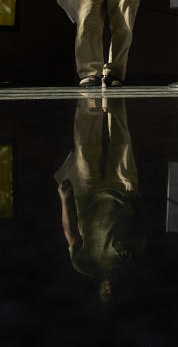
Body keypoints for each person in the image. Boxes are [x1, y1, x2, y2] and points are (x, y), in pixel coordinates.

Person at [56, 98, 142, 302]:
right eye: (113, 294)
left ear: (98, 292)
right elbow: (139, 226)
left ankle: (90, 85)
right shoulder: (128, 264)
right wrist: (135, 193)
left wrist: (64, 199)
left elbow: (71, 234)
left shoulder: (84, 265)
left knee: (85, 139)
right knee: (121, 135)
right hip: (123, 190)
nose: (109, 290)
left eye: (105, 295)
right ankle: (114, 83)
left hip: (87, 194)